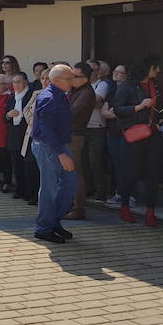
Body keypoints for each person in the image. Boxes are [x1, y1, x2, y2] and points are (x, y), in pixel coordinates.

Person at [114, 55, 163, 227]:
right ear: (147, 68)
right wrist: (138, 106)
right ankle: (125, 207)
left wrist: (162, 120)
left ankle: (151, 212)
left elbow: (161, 107)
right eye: (155, 67)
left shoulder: (155, 85)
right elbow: (118, 109)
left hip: (153, 135)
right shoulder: (128, 86)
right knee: (130, 172)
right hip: (135, 135)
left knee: (153, 172)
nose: (158, 70)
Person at [32, 65, 77, 244]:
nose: (72, 82)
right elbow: (46, 130)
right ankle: (43, 228)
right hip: (48, 146)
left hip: (57, 145)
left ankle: (53, 222)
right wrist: (61, 153)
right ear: (57, 81)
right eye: (69, 78)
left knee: (69, 183)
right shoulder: (49, 98)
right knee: (49, 187)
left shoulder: (60, 95)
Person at [62, 62, 95, 220]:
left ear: (85, 78)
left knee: (75, 173)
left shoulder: (86, 93)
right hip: (67, 135)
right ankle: (68, 204)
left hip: (75, 136)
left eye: (75, 76)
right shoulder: (75, 91)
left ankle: (79, 208)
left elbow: (71, 113)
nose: (71, 79)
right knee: (67, 172)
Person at [82, 60, 112, 205]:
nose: (90, 72)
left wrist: (83, 101)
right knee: (84, 161)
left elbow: (98, 101)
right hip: (82, 127)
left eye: (93, 69)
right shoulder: (82, 85)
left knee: (95, 161)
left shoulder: (102, 85)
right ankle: (89, 188)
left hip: (97, 127)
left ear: (98, 71)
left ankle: (101, 192)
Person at [21, 68, 51, 205]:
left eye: (48, 79)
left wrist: (36, 120)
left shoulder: (55, 96)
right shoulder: (36, 93)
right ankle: (32, 193)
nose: (45, 81)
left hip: (45, 136)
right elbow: (26, 109)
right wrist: (33, 121)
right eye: (43, 79)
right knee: (30, 164)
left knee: (43, 168)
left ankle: (41, 197)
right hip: (31, 132)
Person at [101, 64, 129, 206]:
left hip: (127, 132)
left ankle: (129, 194)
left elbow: (128, 112)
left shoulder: (130, 91)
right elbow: (104, 112)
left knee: (127, 163)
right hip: (112, 131)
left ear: (126, 75)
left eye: (120, 72)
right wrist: (116, 112)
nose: (116, 74)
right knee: (116, 163)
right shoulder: (111, 91)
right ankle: (119, 193)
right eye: (115, 71)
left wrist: (116, 112)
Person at [5, 72, 32, 199]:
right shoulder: (11, 98)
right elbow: (4, 117)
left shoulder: (31, 96)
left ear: (25, 82)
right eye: (14, 82)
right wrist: (8, 115)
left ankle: (29, 191)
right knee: (16, 163)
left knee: (28, 164)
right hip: (14, 133)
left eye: (19, 82)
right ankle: (19, 189)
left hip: (27, 132)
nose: (16, 85)